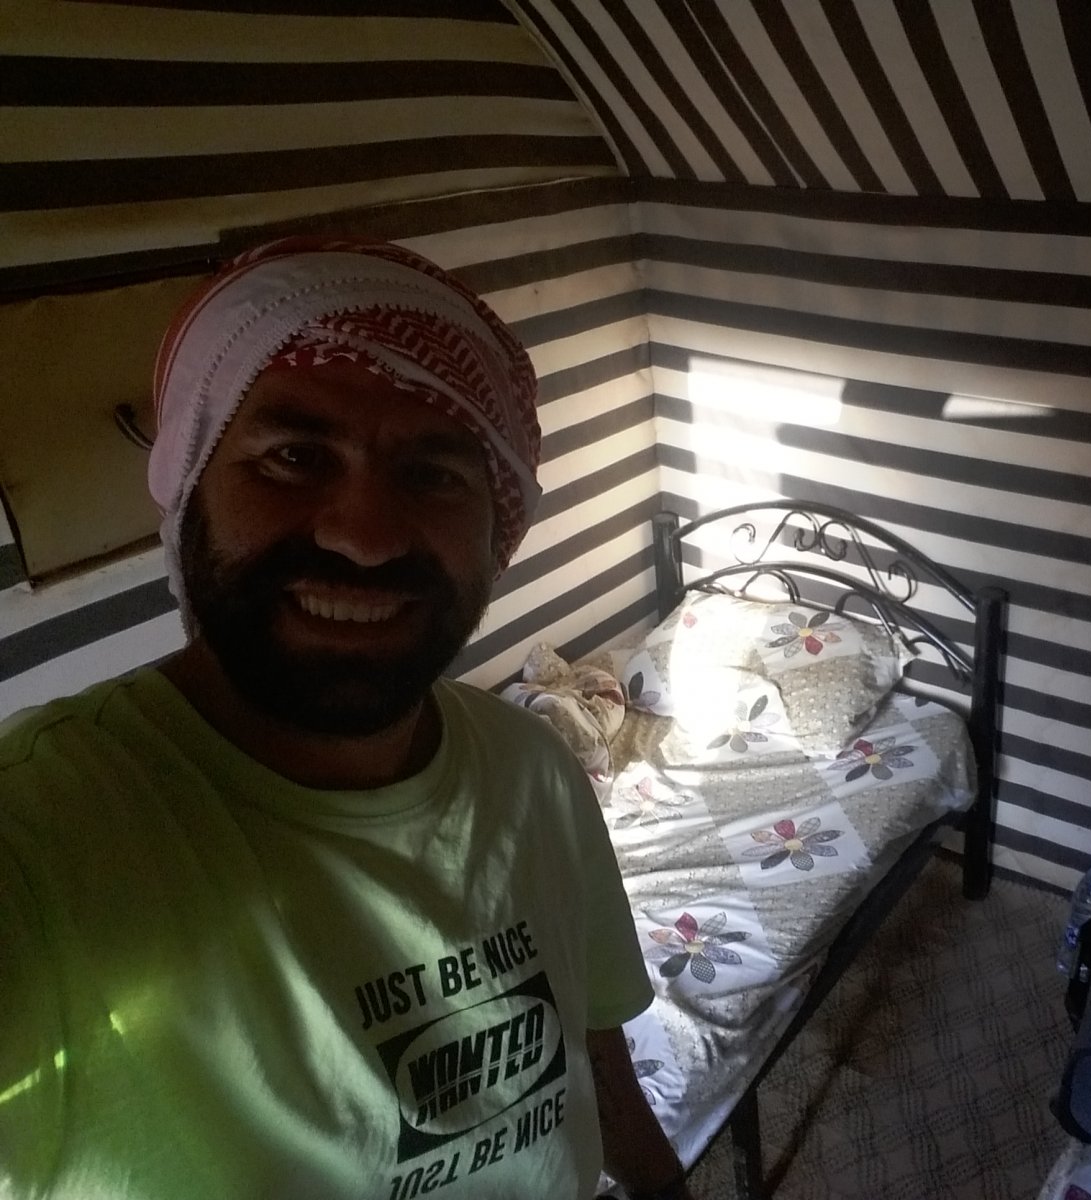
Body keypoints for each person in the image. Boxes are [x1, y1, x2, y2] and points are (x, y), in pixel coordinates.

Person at [0, 238, 691, 1200]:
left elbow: (588, 1046)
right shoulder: (43, 836)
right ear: (190, 489)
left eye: (433, 474)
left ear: (494, 534)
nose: (364, 537)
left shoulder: (533, 769)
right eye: (293, 457)